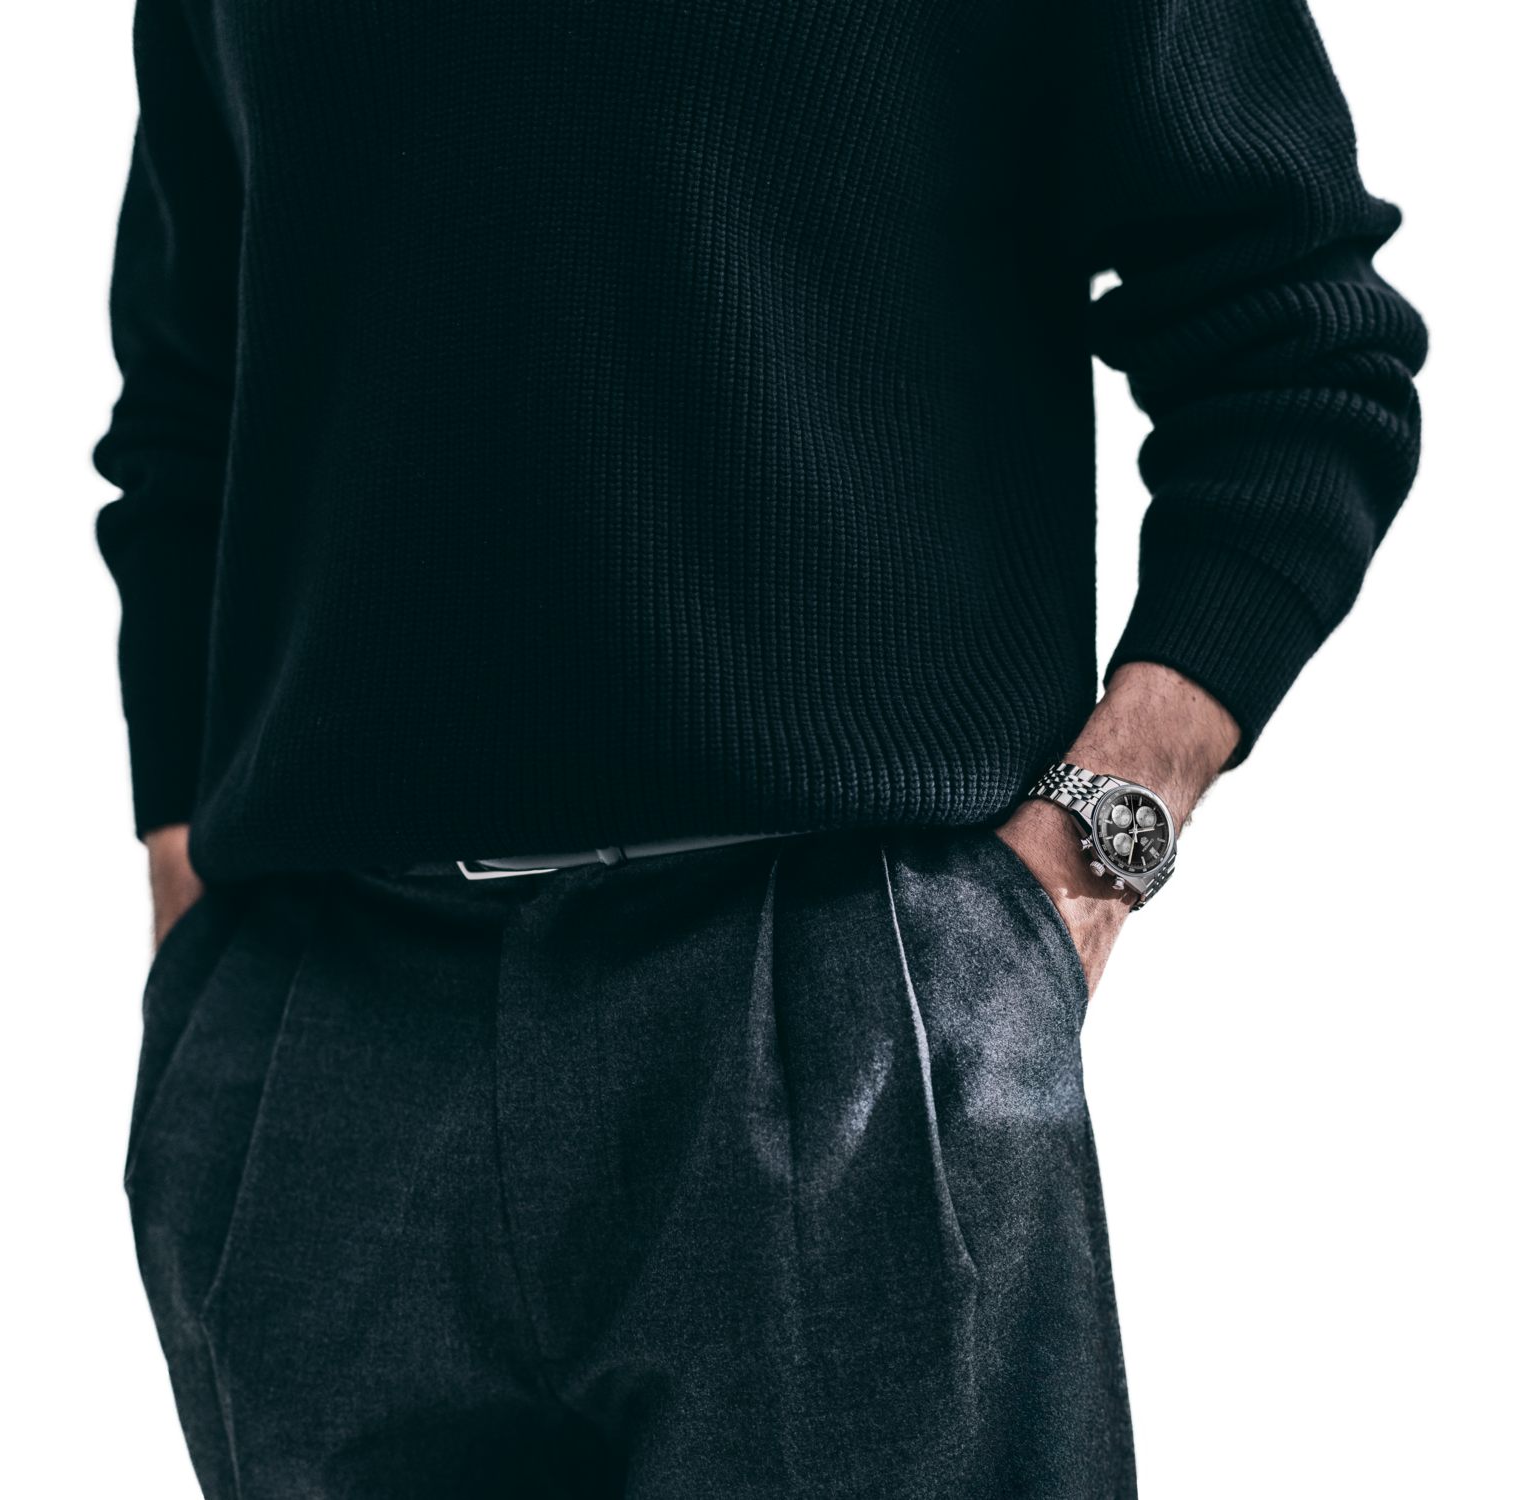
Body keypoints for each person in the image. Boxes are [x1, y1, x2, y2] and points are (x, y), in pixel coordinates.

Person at [92, 0, 1431, 1494]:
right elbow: (186, 416)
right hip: (327, 1041)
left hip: (844, 1006)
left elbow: (1304, 351)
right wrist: (188, 902)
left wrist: (1090, 852)